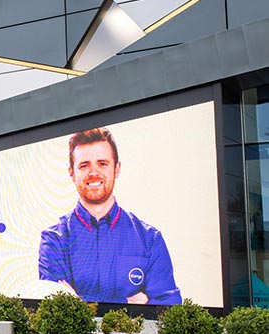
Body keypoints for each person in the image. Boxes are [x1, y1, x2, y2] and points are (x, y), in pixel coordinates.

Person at [38, 127, 181, 305]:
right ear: (72, 173)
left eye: (102, 163)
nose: (93, 173)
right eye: (84, 165)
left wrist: (78, 302)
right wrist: (129, 303)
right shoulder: (54, 241)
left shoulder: (150, 239)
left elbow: (169, 306)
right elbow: (55, 309)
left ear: (117, 169)